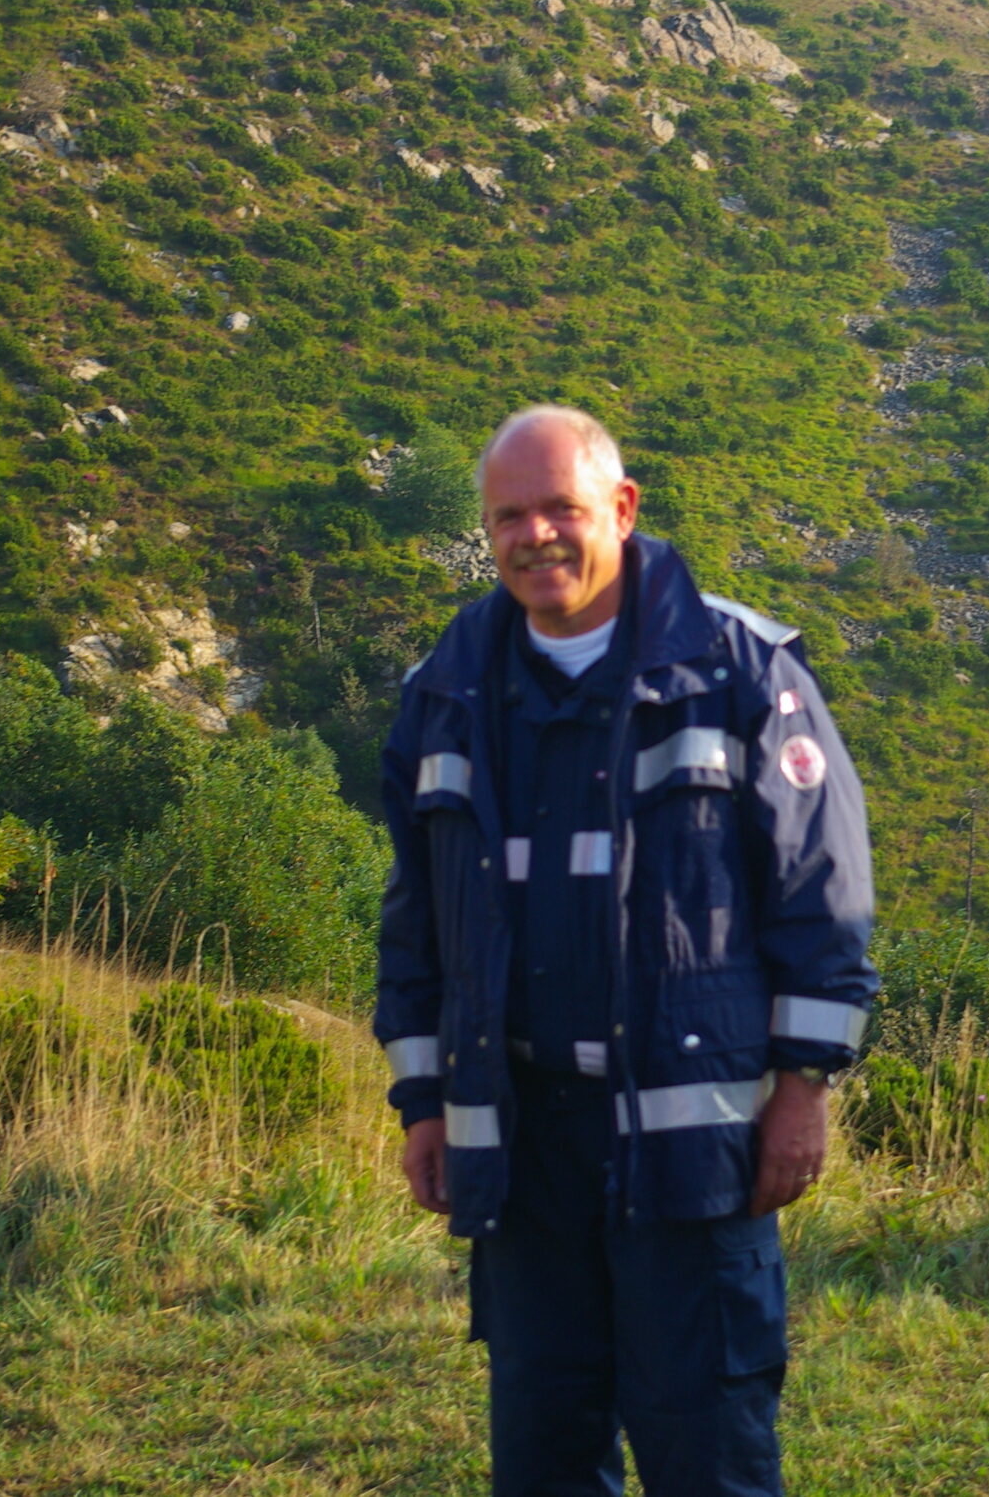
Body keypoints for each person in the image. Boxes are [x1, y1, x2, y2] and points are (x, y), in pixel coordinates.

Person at [375, 405, 878, 1497]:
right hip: (521, 1150)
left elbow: (823, 901)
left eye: (560, 507)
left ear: (621, 506)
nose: (536, 535)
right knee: (545, 1455)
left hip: (693, 1155)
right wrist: (423, 1103)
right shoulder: (445, 694)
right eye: (510, 515)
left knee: (709, 1455)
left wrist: (803, 1090)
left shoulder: (738, 666)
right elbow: (415, 924)